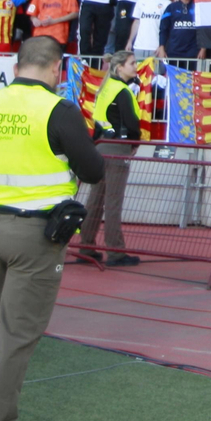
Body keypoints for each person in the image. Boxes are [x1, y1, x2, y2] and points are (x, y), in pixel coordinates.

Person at [0, 37, 105, 421]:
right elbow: (93, 171)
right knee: (14, 340)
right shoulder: (58, 109)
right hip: (34, 235)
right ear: (57, 69)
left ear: (16, 67)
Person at [79, 49, 143, 267]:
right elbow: (132, 123)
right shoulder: (123, 91)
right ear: (120, 68)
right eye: (132, 63)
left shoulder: (105, 88)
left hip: (101, 147)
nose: (135, 67)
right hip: (118, 149)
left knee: (95, 200)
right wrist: (134, 143)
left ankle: (86, 246)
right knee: (113, 201)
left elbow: (98, 122)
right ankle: (115, 252)